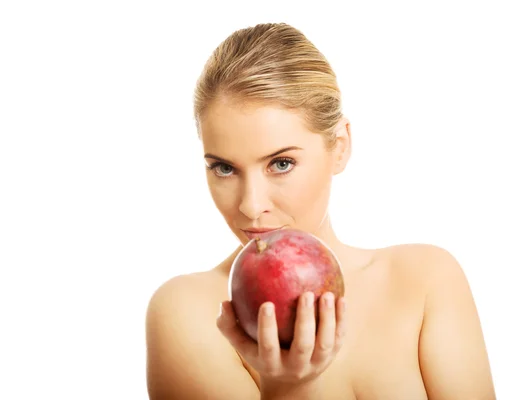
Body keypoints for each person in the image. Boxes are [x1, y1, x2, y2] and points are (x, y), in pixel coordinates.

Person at [145, 22, 496, 400]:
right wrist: (289, 386)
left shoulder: (426, 281)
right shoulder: (188, 313)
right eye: (224, 168)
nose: (251, 205)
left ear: (340, 146)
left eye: (281, 164)